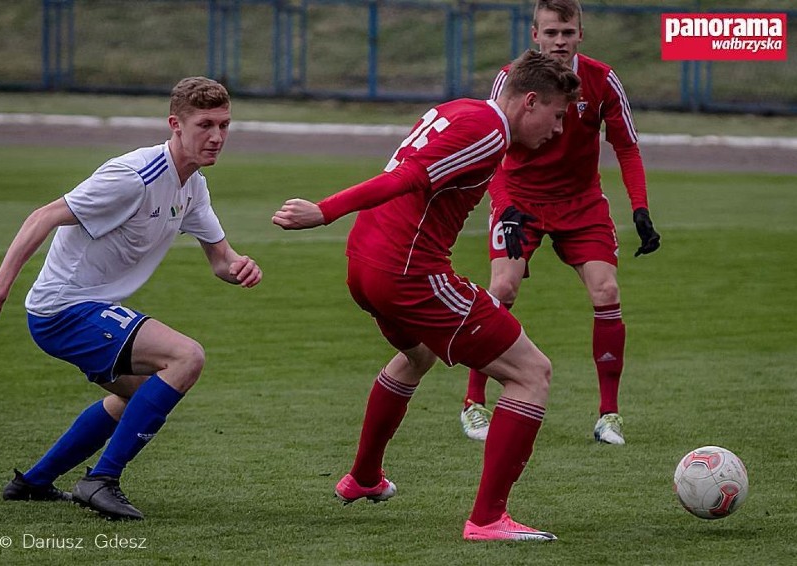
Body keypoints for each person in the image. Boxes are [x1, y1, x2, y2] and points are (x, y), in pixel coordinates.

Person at [273, 50, 580, 541]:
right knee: (532, 373)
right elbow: (407, 178)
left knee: (416, 355)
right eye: (558, 115)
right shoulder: (490, 130)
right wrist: (325, 211)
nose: (559, 129)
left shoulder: (460, 110)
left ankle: (364, 479)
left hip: (365, 265)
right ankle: (487, 520)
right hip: (408, 273)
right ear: (529, 102)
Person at [0, 76, 262, 521]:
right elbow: (42, 217)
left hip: (88, 308)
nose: (217, 137)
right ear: (175, 125)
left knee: (135, 398)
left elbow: (221, 260)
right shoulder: (133, 176)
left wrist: (239, 268)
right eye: (205, 125)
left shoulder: (193, 185)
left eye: (224, 125)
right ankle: (101, 480)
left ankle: (33, 483)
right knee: (186, 358)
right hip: (64, 309)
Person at [459, 0, 661, 445]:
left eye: (567, 32)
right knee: (503, 288)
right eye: (551, 32)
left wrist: (640, 209)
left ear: (580, 35)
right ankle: (474, 404)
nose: (559, 41)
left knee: (607, 290)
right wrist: (504, 204)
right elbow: (491, 143)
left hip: (580, 203)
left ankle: (609, 415)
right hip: (521, 199)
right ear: (535, 35)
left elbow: (626, 146)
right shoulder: (511, 80)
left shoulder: (603, 80)